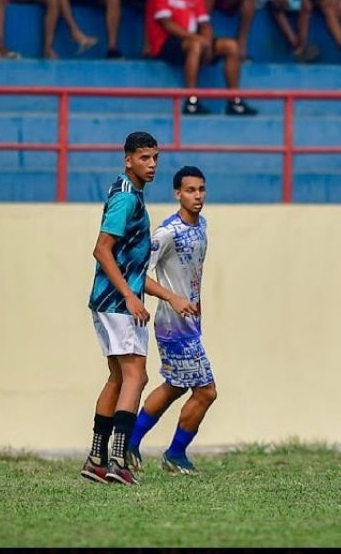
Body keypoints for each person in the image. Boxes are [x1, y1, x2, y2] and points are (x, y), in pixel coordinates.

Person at [80, 131, 161, 485]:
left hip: (107, 300)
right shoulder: (127, 200)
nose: (152, 164)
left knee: (117, 376)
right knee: (136, 377)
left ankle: (96, 459)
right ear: (128, 159)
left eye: (155, 157)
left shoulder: (125, 192)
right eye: (144, 158)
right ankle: (118, 460)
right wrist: (129, 295)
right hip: (117, 302)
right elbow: (102, 248)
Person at [127, 166, 215, 476]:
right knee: (206, 392)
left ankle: (129, 442)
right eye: (191, 190)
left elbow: (192, 274)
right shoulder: (168, 233)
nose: (198, 196)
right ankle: (175, 454)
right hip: (172, 325)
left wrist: (196, 304)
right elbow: (137, 274)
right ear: (177, 193)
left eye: (201, 189)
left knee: (176, 385)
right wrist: (172, 298)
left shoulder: (201, 226)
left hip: (189, 324)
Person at [146, 0, 255, 116]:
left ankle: (234, 102)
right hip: (165, 43)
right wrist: (197, 39)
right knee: (195, 45)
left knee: (231, 46)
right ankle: (191, 102)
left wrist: (207, 40)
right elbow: (167, 25)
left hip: (191, 41)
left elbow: (204, 23)